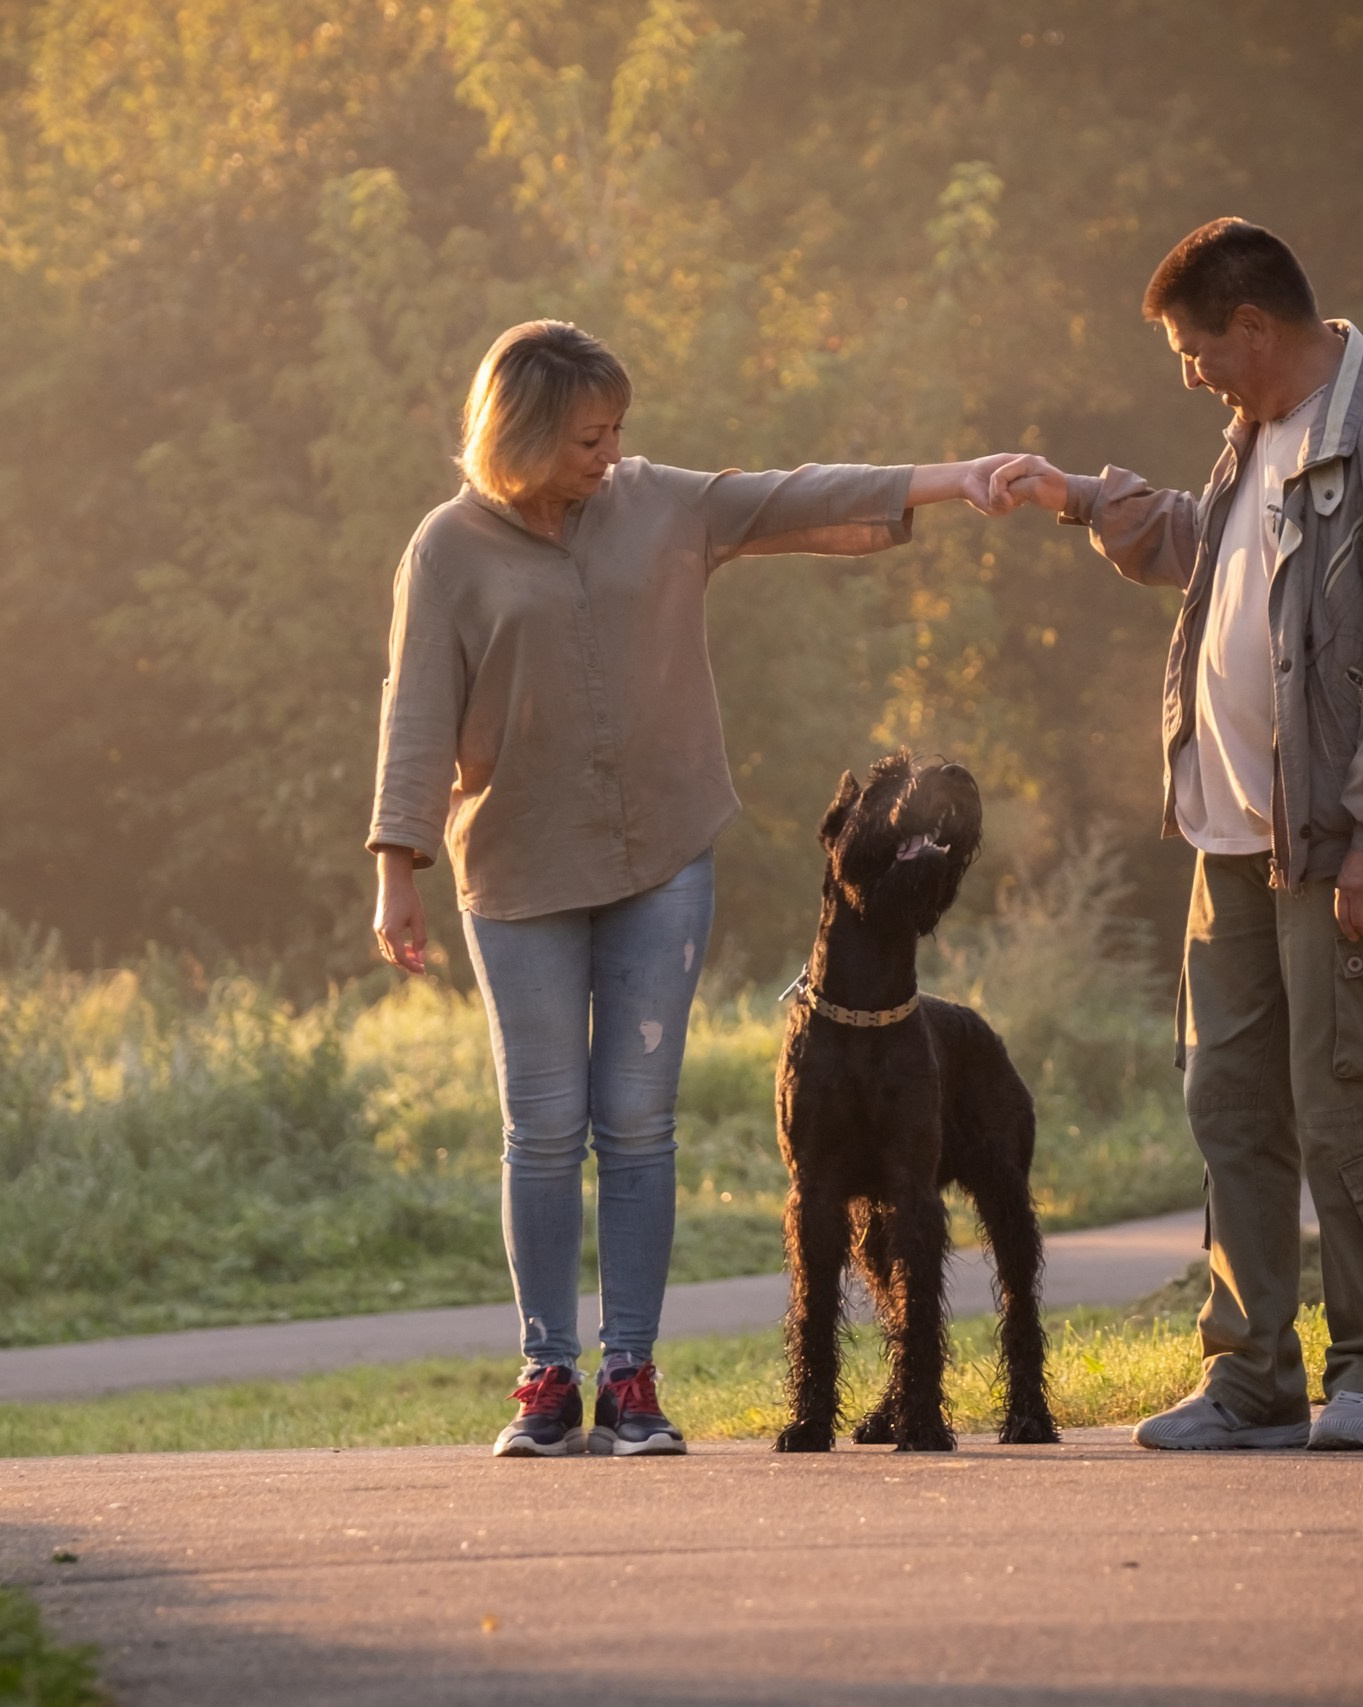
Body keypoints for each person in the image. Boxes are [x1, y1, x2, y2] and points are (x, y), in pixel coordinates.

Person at [368, 319, 1022, 1458]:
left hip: (660, 854)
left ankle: (629, 1376)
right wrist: (395, 868)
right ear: (518, 435)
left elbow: (785, 494)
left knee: (637, 1127)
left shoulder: (655, 503)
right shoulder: (447, 548)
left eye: (619, 430)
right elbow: (416, 707)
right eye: (587, 436)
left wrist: (951, 479)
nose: (611, 453)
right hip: (517, 868)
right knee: (542, 1129)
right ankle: (545, 1376)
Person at [989, 219, 1363, 1451]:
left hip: (1342, 853)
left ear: (1252, 328)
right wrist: (1083, 500)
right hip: (1231, 844)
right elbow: (1215, 562)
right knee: (1230, 1104)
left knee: (1347, 1108)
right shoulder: (1254, 435)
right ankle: (1249, 1376)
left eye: (1192, 348)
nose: (1187, 373)